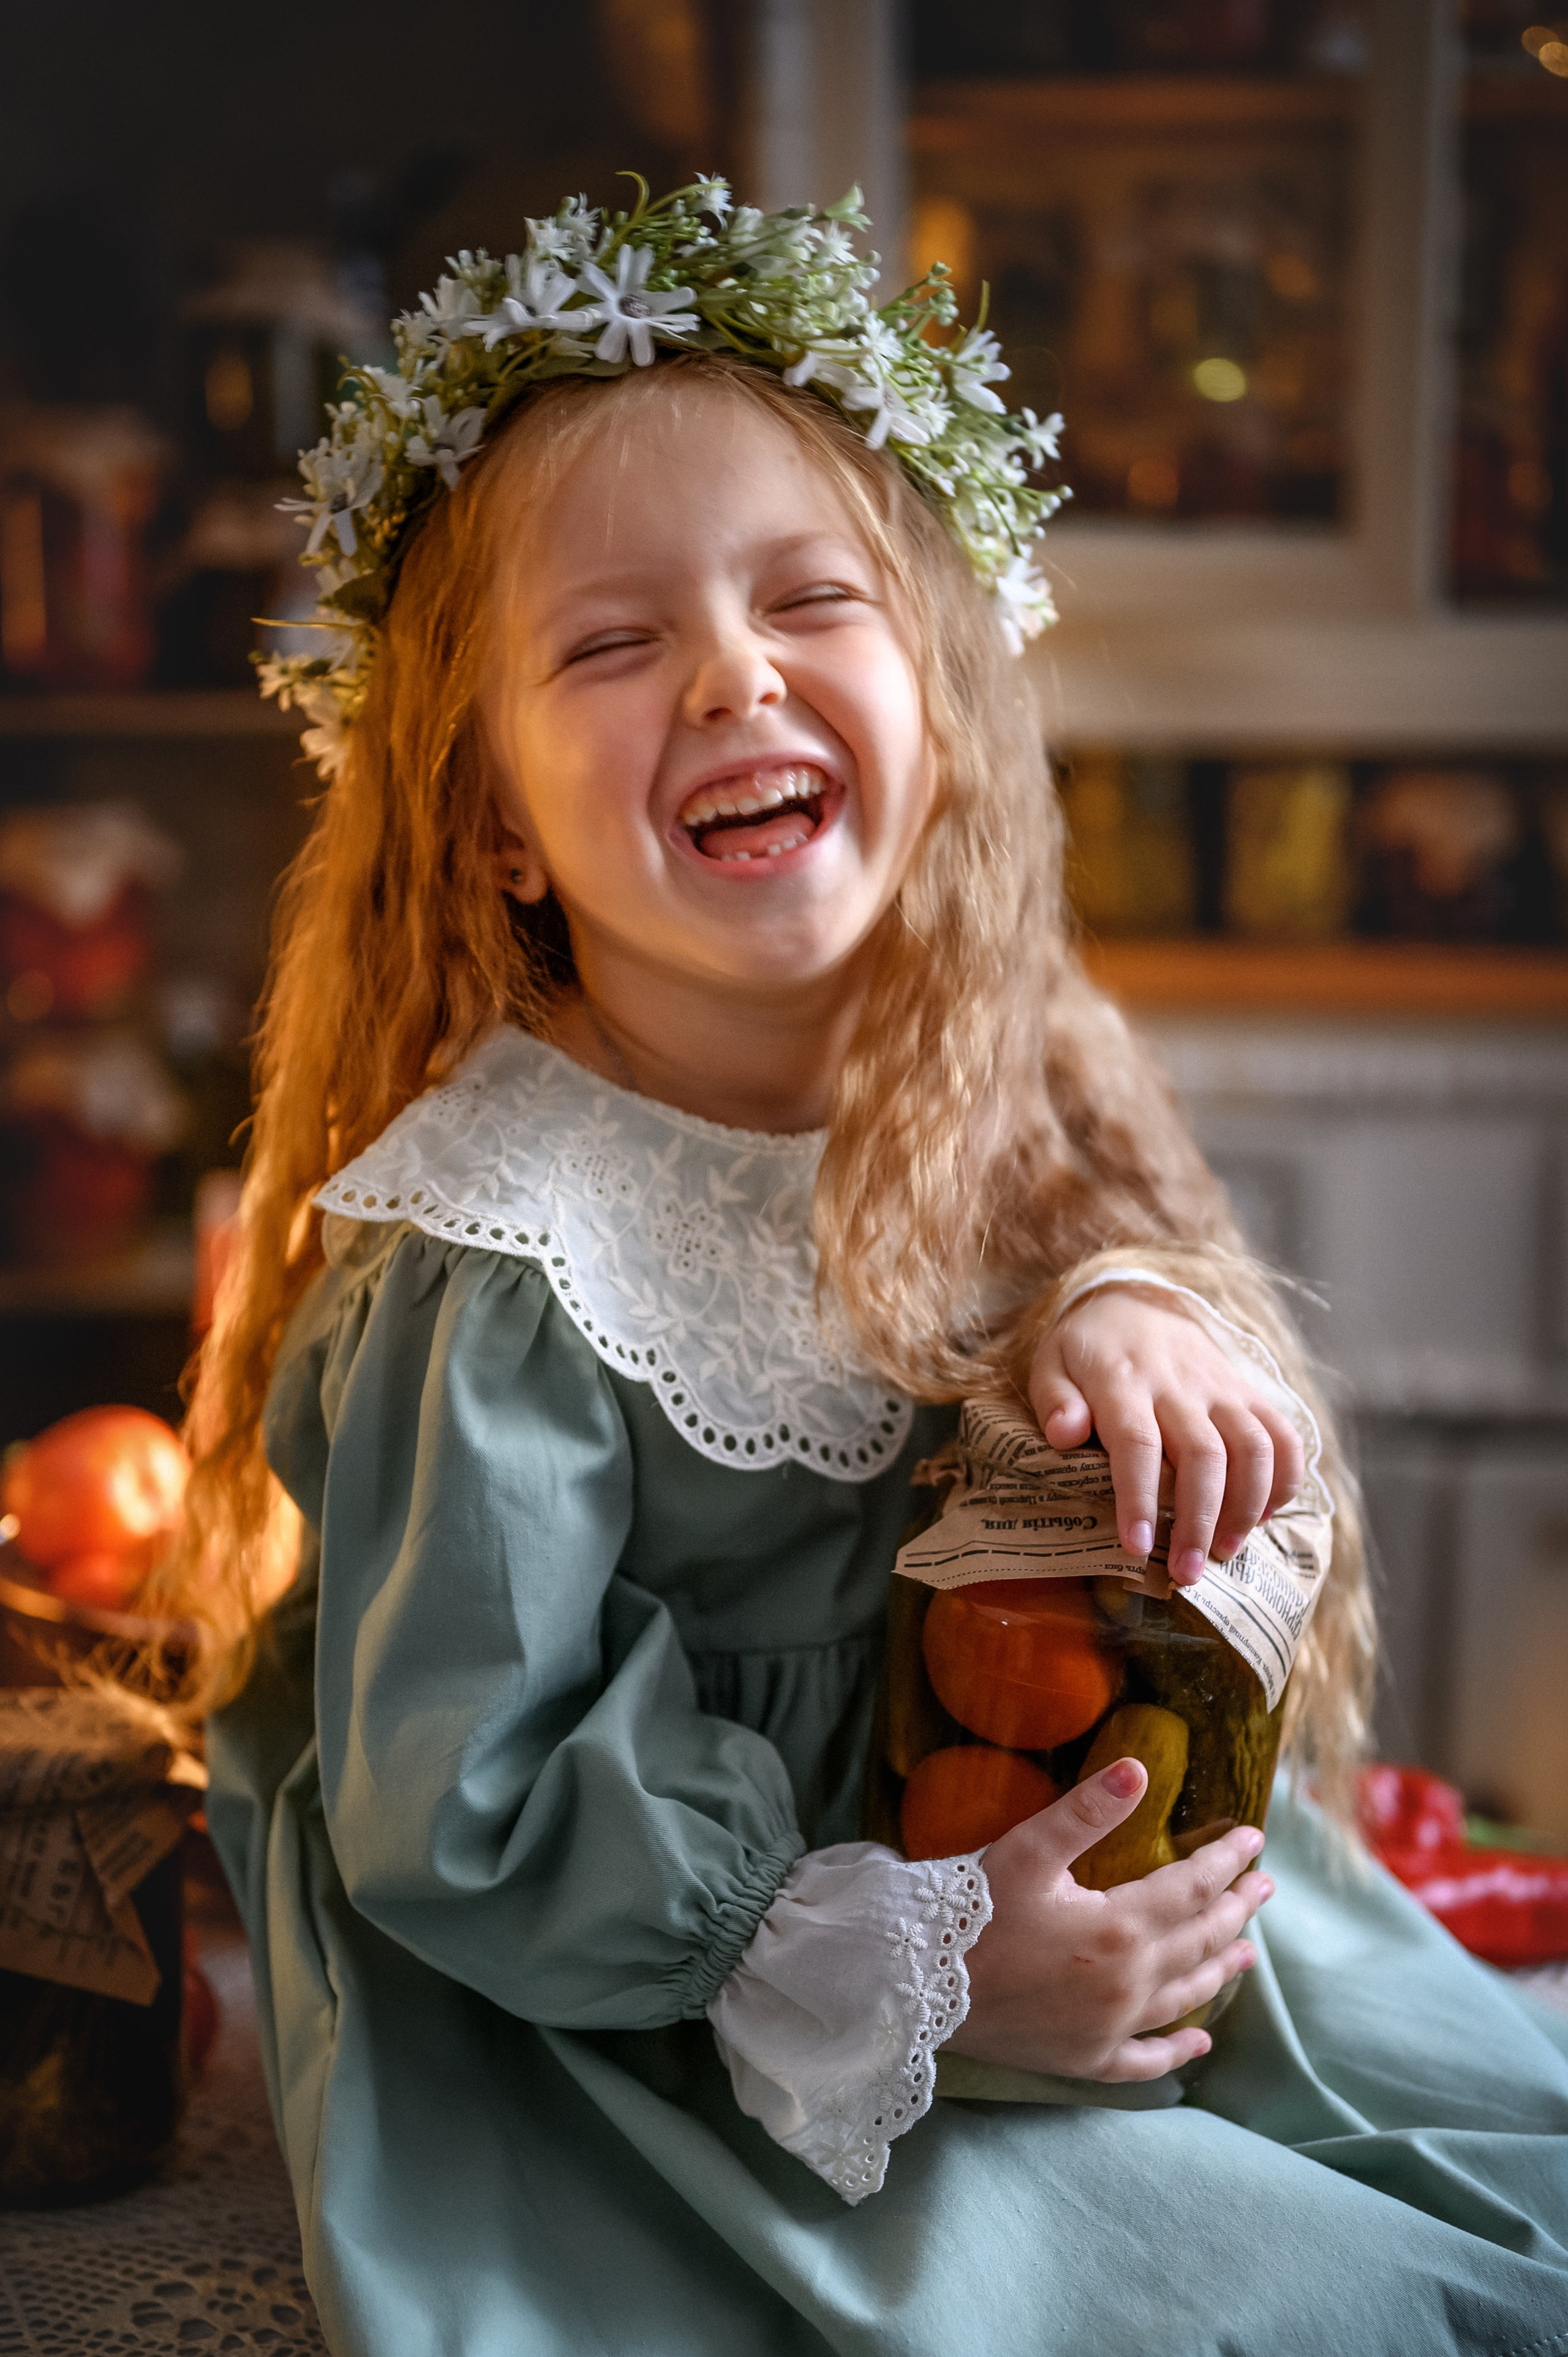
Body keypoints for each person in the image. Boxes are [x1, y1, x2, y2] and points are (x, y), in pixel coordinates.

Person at [172, 183, 1568, 2355]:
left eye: (806, 597)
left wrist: (1123, 1310)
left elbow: (1100, 1370)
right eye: (613, 643)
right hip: (664, 2005)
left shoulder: (983, 1086)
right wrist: (917, 1959)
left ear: (935, 686)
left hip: (1049, 1890)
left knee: (1502, 2186)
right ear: (497, 826)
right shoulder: (503, 1248)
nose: (730, 670)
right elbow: (458, 1803)